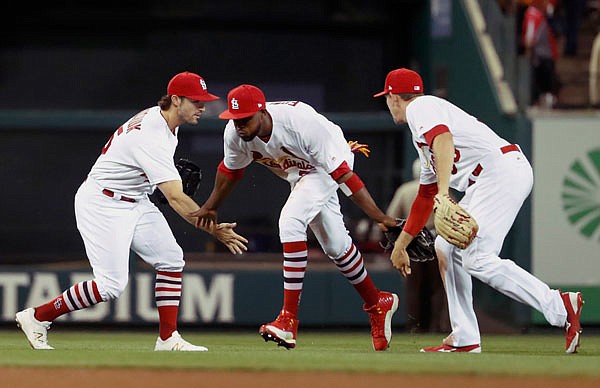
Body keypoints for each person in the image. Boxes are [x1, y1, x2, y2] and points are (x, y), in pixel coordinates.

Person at [15, 71, 248, 351]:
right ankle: (37, 317)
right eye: (196, 101)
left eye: (203, 100)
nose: (203, 106)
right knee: (110, 286)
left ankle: (168, 338)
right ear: (176, 100)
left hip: (135, 200)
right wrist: (213, 229)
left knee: (171, 259)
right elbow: (175, 197)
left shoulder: (165, 120)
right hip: (103, 203)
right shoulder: (152, 135)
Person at [374, 68, 583, 353]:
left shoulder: (419, 108)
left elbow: (444, 140)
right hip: (490, 176)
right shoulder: (422, 127)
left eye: (387, 98)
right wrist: (402, 244)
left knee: (477, 258)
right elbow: (425, 196)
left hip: (499, 172)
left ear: (394, 97)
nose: (388, 104)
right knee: (445, 247)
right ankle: (464, 337)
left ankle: (560, 306)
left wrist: (445, 193)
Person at [190, 84, 400, 351]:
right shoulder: (234, 133)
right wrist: (211, 205)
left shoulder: (301, 124)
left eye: (245, 118)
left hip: (329, 163)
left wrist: (378, 216)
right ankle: (377, 302)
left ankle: (288, 320)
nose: (240, 125)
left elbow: (344, 176)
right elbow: (230, 171)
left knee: (290, 222)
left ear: (262, 112)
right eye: (235, 119)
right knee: (336, 246)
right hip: (299, 173)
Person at [386, 158, 450, 333]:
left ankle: (414, 326)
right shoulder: (442, 191)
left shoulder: (405, 190)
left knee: (413, 287)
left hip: (412, 242)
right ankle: (437, 325)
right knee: (438, 287)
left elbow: (391, 216)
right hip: (437, 240)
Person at [522, 0, 561, 108]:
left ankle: (546, 101)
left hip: (546, 55)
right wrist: (528, 51)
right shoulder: (533, 15)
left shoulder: (540, 15)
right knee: (542, 82)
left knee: (547, 81)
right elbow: (530, 38)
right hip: (541, 57)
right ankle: (540, 102)